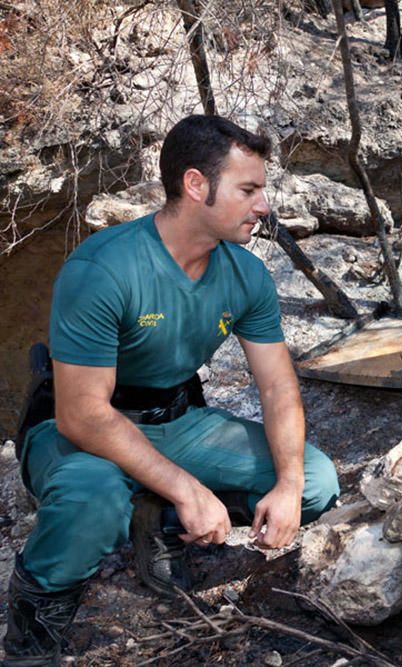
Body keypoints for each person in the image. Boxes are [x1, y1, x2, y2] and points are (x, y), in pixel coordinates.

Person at [4, 115, 340, 666]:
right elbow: (82, 415)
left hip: (178, 419)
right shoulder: (103, 269)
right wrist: (187, 488)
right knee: (93, 498)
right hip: (80, 428)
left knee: (315, 484)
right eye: (248, 190)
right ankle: (31, 639)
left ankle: (155, 520)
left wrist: (288, 482)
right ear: (195, 185)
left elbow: (278, 387)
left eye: (263, 190)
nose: (263, 207)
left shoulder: (246, 274)